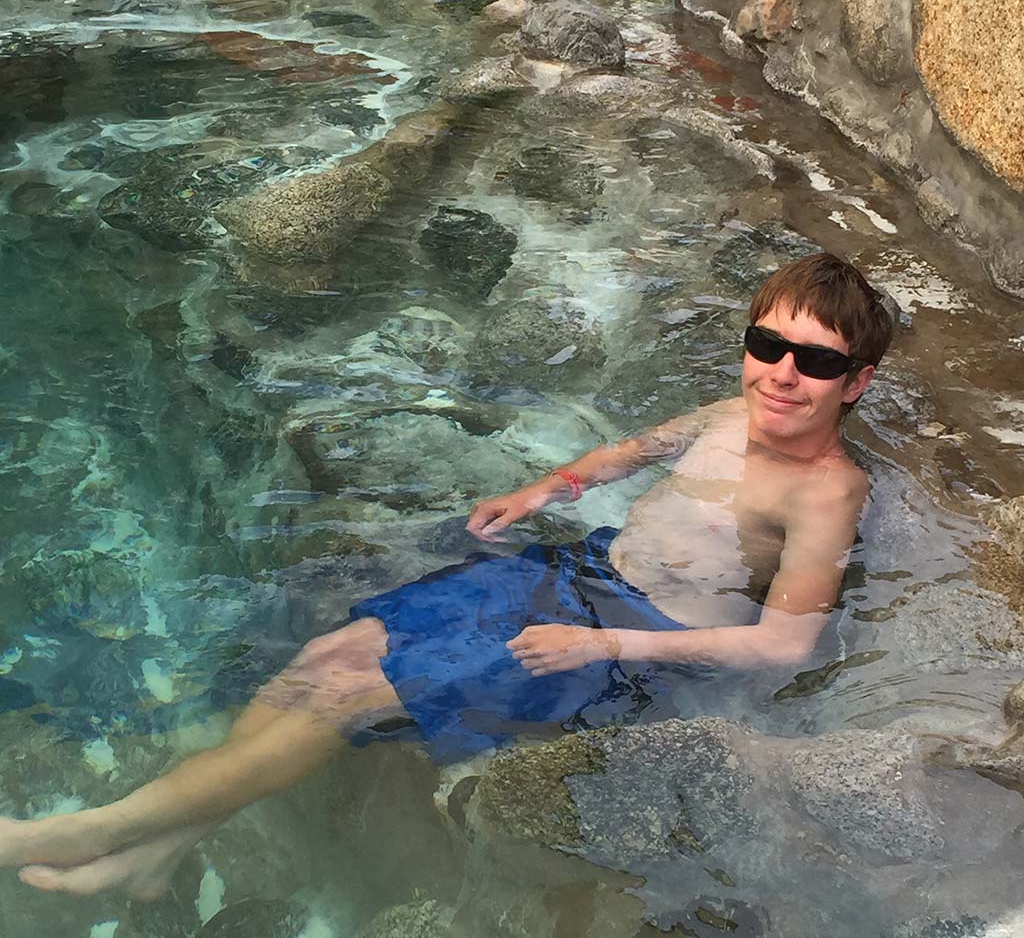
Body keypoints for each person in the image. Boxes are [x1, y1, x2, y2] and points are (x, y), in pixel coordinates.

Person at [0, 252, 893, 899]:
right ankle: (167, 841)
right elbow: (635, 452)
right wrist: (546, 487)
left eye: (813, 362)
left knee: (350, 697)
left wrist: (602, 640)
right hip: (576, 574)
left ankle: (95, 830)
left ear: (854, 383)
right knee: (331, 653)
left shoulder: (827, 495)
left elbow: (787, 641)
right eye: (765, 345)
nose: (780, 375)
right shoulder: (730, 409)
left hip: (631, 650)